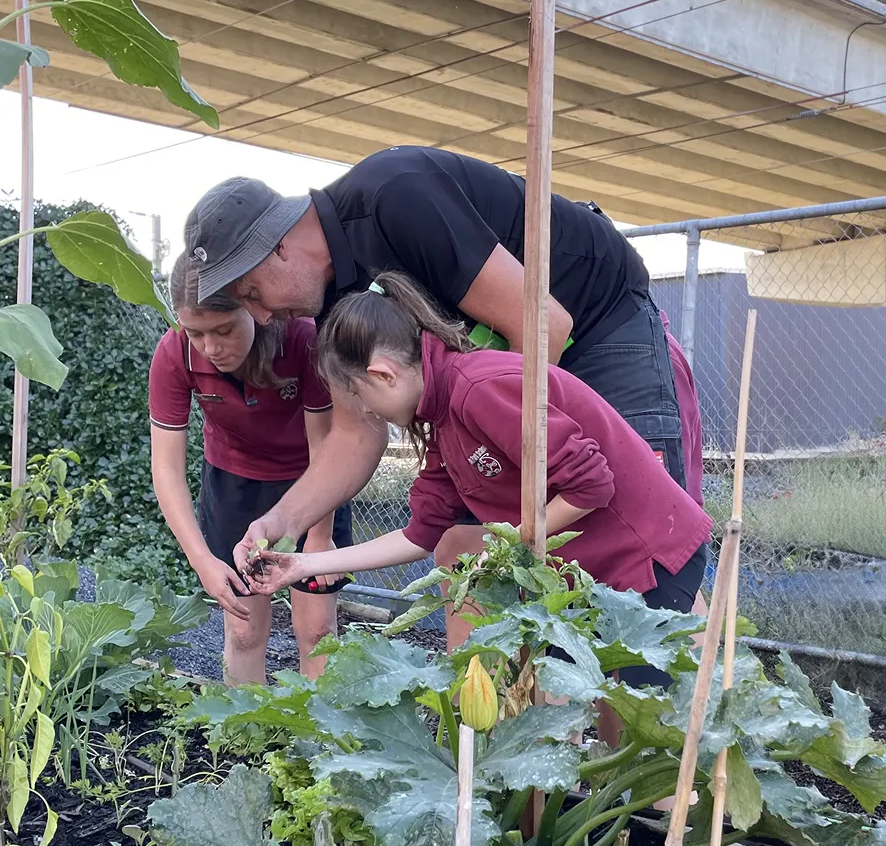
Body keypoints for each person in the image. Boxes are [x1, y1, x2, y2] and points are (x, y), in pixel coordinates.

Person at [181, 146, 697, 602]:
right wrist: (280, 523)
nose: (262, 317)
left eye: (252, 294)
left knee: (648, 550)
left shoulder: (395, 196)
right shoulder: (334, 304)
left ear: (278, 247)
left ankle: (695, 672)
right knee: (464, 553)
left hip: (599, 324)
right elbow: (355, 434)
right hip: (510, 379)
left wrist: (500, 478)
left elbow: (543, 327)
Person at [244, 273, 712, 646]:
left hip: (648, 555)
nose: (365, 410)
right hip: (599, 569)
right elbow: (421, 534)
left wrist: (508, 546)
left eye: (358, 394)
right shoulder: (443, 417)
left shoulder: (478, 389)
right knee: (594, 701)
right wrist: (303, 566)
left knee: (642, 717)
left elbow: (591, 483)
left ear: (382, 375)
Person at [147, 254, 352, 685]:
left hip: (310, 488)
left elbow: (326, 447)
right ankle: (247, 726)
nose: (210, 347)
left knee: (318, 631)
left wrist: (319, 538)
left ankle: (320, 729)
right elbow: (166, 468)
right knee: (243, 632)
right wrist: (202, 560)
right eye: (196, 333)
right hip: (233, 488)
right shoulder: (174, 354)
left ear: (254, 309)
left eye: (223, 330)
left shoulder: (303, 338)